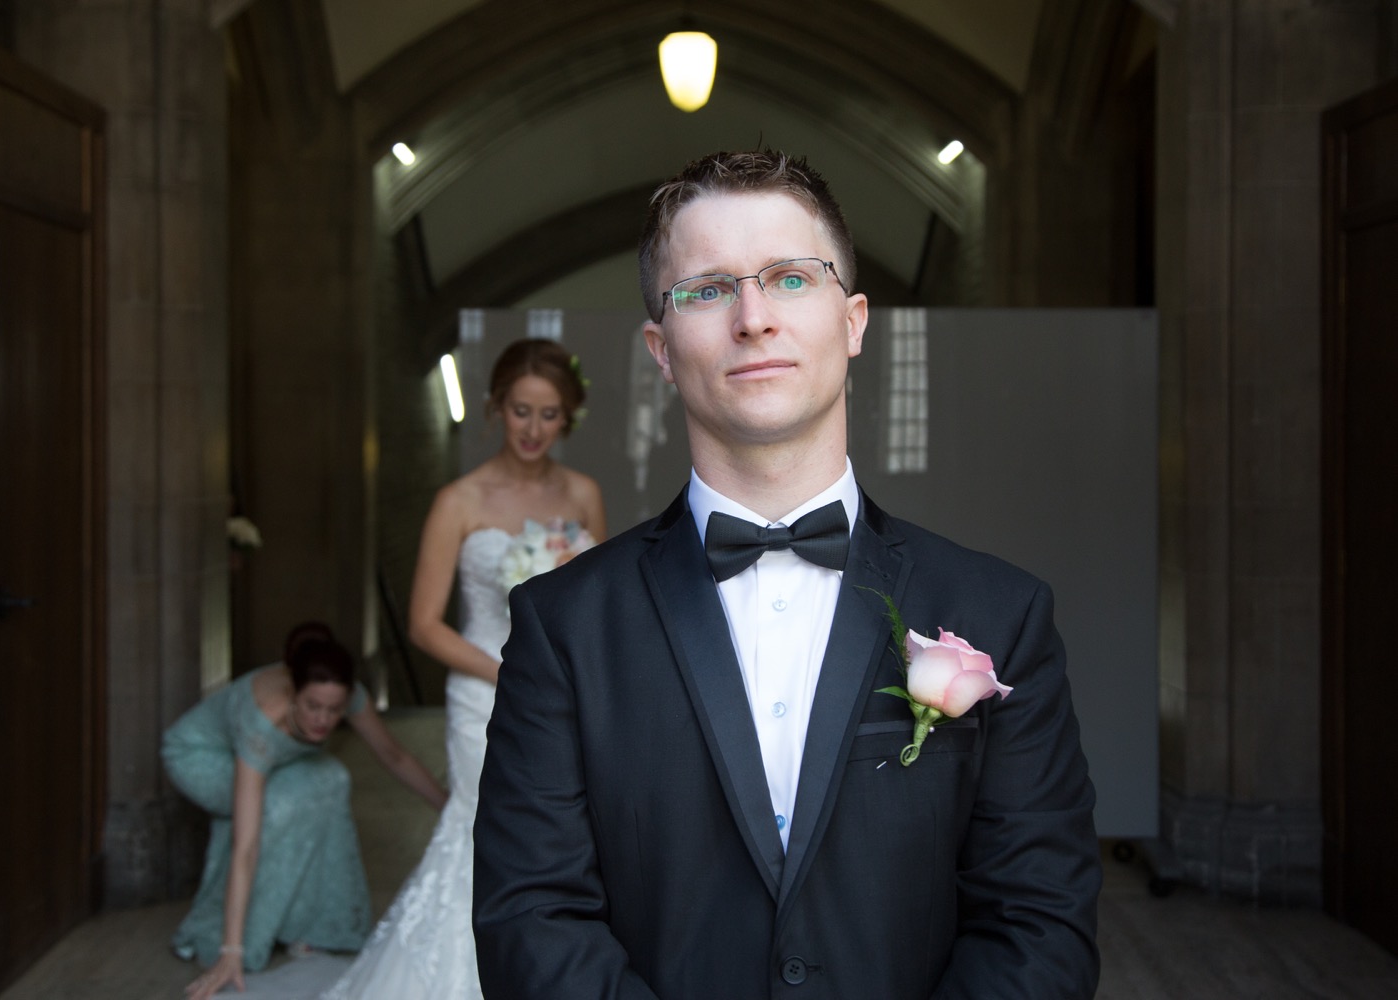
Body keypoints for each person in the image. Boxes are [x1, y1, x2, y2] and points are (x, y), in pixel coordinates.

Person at [472, 150, 1101, 998]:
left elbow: (1039, 925)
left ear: (853, 321)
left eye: (791, 278)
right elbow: (530, 923)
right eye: (707, 290)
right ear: (661, 349)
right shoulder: (562, 627)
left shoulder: (1003, 613)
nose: (753, 317)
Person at [321, 337, 605, 1000]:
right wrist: (510, 676)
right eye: (520, 411)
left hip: (567, 695)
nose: (533, 428)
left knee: (565, 831)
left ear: (568, 418)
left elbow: (599, 603)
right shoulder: (459, 500)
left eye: (549, 414)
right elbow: (424, 625)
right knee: (489, 830)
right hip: (484, 693)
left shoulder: (584, 494)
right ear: (495, 407)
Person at [164, 623, 447, 1000]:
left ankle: (308, 925)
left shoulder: (349, 696)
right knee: (281, 805)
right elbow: (246, 846)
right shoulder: (262, 721)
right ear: (292, 693)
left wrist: (450, 808)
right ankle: (227, 932)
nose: (323, 720)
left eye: (334, 710)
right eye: (313, 707)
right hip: (197, 756)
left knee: (329, 779)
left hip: (265, 763)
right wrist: (231, 952)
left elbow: (393, 756)